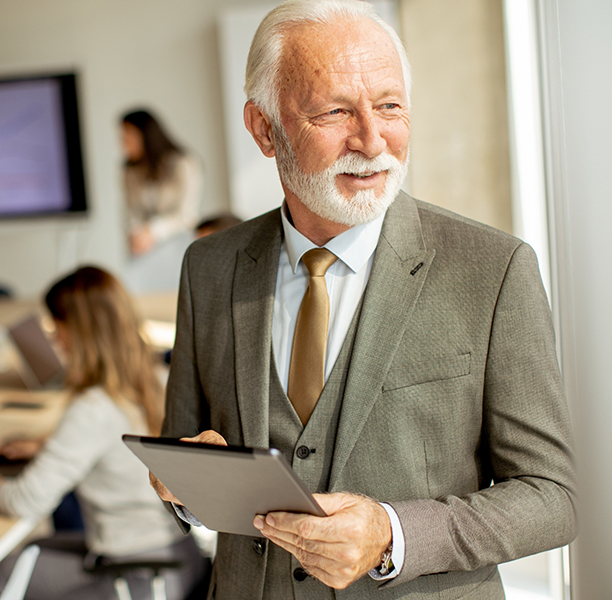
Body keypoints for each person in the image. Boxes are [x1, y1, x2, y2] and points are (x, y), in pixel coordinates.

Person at [152, 1, 577, 598]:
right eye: (335, 112)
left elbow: (551, 497)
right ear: (263, 128)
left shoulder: (493, 270)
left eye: (390, 106)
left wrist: (391, 533)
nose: (373, 141)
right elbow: (184, 457)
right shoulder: (209, 266)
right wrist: (189, 490)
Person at [0, 266, 205, 600]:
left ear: (80, 333)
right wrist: (49, 447)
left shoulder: (93, 409)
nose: (54, 339)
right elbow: (121, 442)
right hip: (182, 556)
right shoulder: (157, 380)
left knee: (8, 571)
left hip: (140, 576)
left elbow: (25, 501)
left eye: (58, 327)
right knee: (32, 549)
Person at [121, 109, 203, 256]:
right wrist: (136, 233)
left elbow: (187, 215)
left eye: (127, 137)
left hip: (179, 244)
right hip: (143, 251)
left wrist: (152, 231)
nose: (123, 145)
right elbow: (131, 211)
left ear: (144, 135)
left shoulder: (183, 164)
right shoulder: (129, 170)